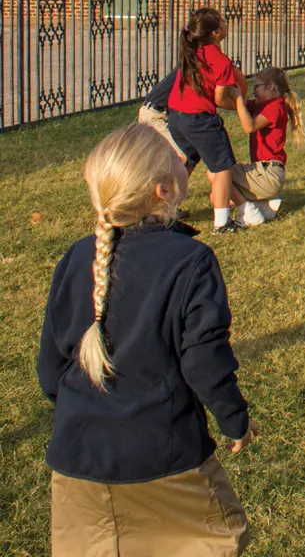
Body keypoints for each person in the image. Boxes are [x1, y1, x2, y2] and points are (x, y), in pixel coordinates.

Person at [38, 123, 255, 556]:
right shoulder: (191, 261)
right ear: (163, 190)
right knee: (219, 539)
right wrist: (235, 419)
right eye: (177, 156)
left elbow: (51, 369)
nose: (185, 158)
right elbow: (203, 361)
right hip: (165, 460)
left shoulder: (77, 256)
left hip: (76, 463)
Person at [166, 7, 247, 235]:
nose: (225, 23)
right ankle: (222, 222)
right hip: (199, 119)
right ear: (215, 32)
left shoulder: (192, 51)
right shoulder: (220, 61)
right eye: (222, 21)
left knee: (188, 161)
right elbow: (220, 98)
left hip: (177, 116)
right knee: (222, 168)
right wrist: (241, 106)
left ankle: (166, 208)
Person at [229, 67, 305, 227]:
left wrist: (238, 100)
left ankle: (250, 212)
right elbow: (235, 105)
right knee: (218, 193)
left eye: (256, 86)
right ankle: (265, 207)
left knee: (219, 175)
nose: (253, 91)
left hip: (268, 174)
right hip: (266, 173)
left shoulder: (275, 106)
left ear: (270, 86)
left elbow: (249, 126)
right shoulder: (263, 105)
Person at [137, 68, 191, 169]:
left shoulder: (186, 67)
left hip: (158, 114)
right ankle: (165, 182)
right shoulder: (188, 70)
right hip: (153, 114)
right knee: (180, 155)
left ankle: (176, 183)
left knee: (183, 155)